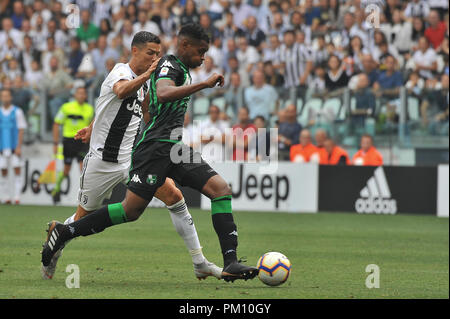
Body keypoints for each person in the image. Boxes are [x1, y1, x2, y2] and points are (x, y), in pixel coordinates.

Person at [41, 24, 258, 282]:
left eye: (157, 53)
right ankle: (64, 232)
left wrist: (93, 125)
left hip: (147, 151)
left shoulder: (156, 77)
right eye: (150, 54)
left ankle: (216, 262)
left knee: (207, 191)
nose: (155, 59)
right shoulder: (133, 71)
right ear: (135, 51)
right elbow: (129, 92)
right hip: (113, 157)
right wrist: (201, 84)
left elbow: (133, 108)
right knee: (121, 212)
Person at [51, 86, 94, 203]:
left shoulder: (89, 109)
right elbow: (56, 124)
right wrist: (55, 142)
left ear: (85, 96)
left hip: (82, 141)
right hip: (69, 141)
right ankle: (57, 189)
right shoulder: (66, 107)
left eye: (83, 93)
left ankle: (85, 197)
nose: (81, 95)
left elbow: (92, 127)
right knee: (66, 170)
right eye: (79, 93)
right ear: (75, 95)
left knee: (83, 168)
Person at [0, 88, 26, 204]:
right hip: (2, 147)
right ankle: (5, 197)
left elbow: (21, 129)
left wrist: (19, 146)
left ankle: (17, 197)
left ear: (11, 97)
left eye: (7, 96)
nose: (5, 98)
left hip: (14, 147)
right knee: (3, 171)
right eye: (3, 96)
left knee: (17, 170)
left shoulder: (17, 111)